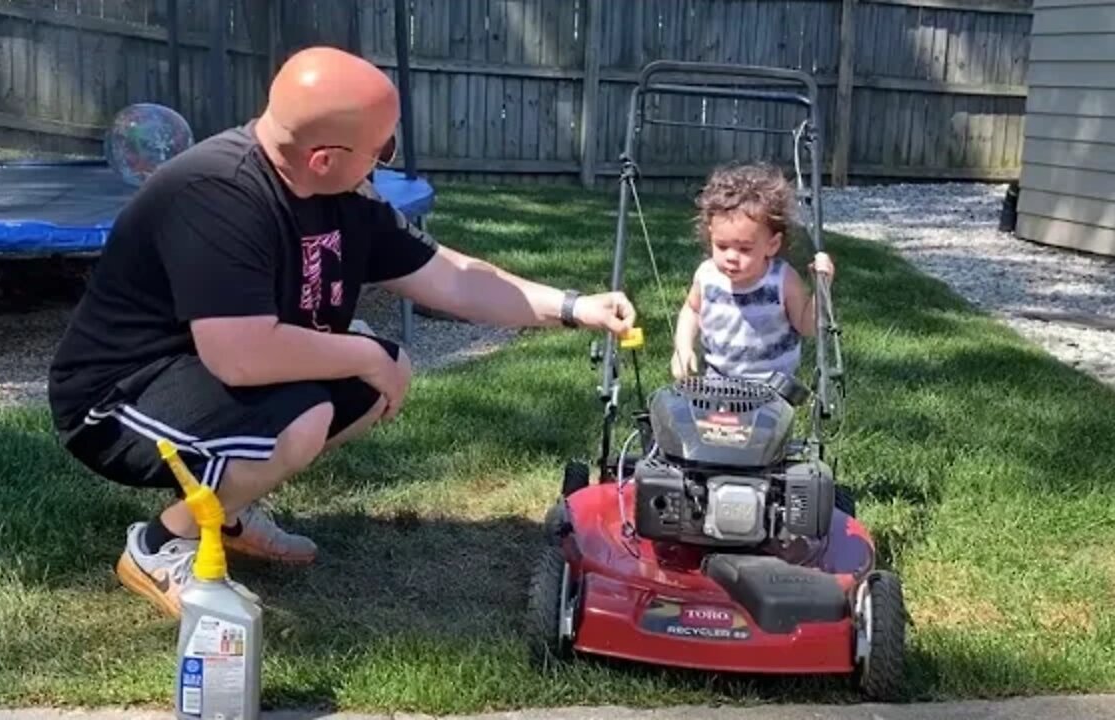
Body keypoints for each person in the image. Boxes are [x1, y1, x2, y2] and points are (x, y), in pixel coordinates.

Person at [47, 46, 635, 618]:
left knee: (364, 385)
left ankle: (225, 510)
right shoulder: (215, 195)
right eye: (383, 149)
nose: (387, 159)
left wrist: (573, 306)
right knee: (308, 413)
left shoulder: (341, 195)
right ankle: (158, 544)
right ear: (324, 158)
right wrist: (367, 352)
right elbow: (240, 357)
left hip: (202, 369)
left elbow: (452, 278)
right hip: (117, 398)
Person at [670, 162, 834, 382]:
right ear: (711, 235)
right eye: (722, 246)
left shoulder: (782, 280)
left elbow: (806, 326)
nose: (731, 256)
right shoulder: (707, 275)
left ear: (772, 245)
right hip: (717, 380)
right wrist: (683, 348)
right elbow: (692, 310)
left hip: (773, 386)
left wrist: (822, 289)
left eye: (744, 249)